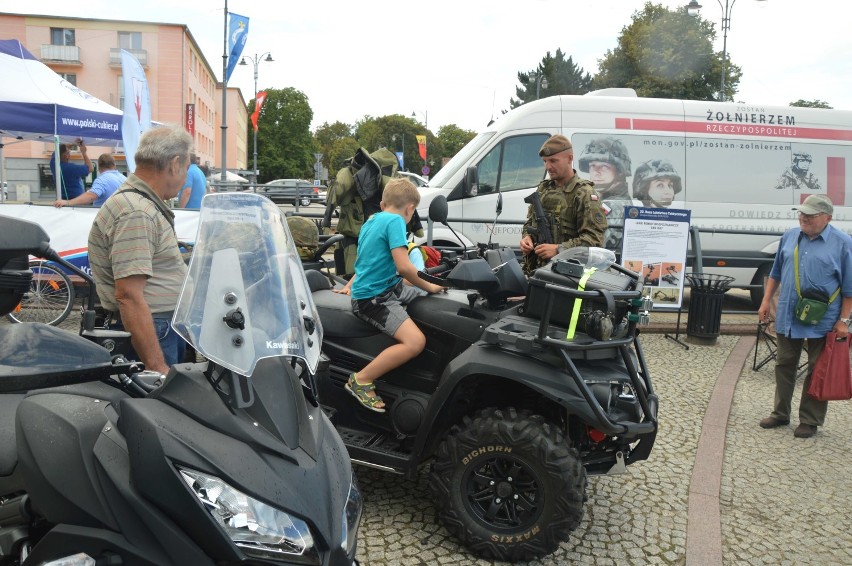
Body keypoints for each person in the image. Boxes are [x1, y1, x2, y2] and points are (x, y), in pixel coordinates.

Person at [88, 125, 193, 375]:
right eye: (186, 169)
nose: (185, 179)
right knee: (163, 410)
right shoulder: (137, 212)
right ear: (174, 164)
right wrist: (156, 367)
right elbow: (129, 296)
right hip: (155, 333)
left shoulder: (140, 204)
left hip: (160, 328)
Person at [333, 177, 444, 412]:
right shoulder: (395, 222)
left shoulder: (371, 221)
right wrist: (431, 286)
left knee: (421, 295)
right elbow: (404, 267)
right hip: (375, 299)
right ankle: (361, 380)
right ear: (410, 209)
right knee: (416, 342)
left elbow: (365, 263)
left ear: (383, 204)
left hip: (384, 287)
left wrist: (350, 285)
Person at [757, 194, 852, 438]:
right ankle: (780, 413)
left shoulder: (843, 243)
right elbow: (776, 271)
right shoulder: (789, 236)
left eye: (810, 215)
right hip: (789, 313)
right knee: (784, 364)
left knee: (816, 368)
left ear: (828, 217)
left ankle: (810, 420)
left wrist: (844, 321)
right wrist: (766, 301)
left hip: (824, 318)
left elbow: (850, 288)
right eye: (801, 213)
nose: (803, 218)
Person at [519, 134, 607, 275]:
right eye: (545, 161)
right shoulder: (543, 190)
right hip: (538, 272)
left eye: (553, 161)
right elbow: (530, 222)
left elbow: (594, 240)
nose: (548, 166)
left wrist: (559, 249)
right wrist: (527, 238)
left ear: (570, 159)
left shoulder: (584, 193)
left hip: (569, 275)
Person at [577, 137, 632, 253]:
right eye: (592, 166)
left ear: (619, 171)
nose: (597, 172)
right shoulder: (604, 198)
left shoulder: (613, 205)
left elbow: (591, 245)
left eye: (604, 166)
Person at [53, 153, 125, 208]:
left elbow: (91, 197)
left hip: (105, 219)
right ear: (114, 165)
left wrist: (67, 202)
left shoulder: (102, 180)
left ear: (99, 166)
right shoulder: (124, 178)